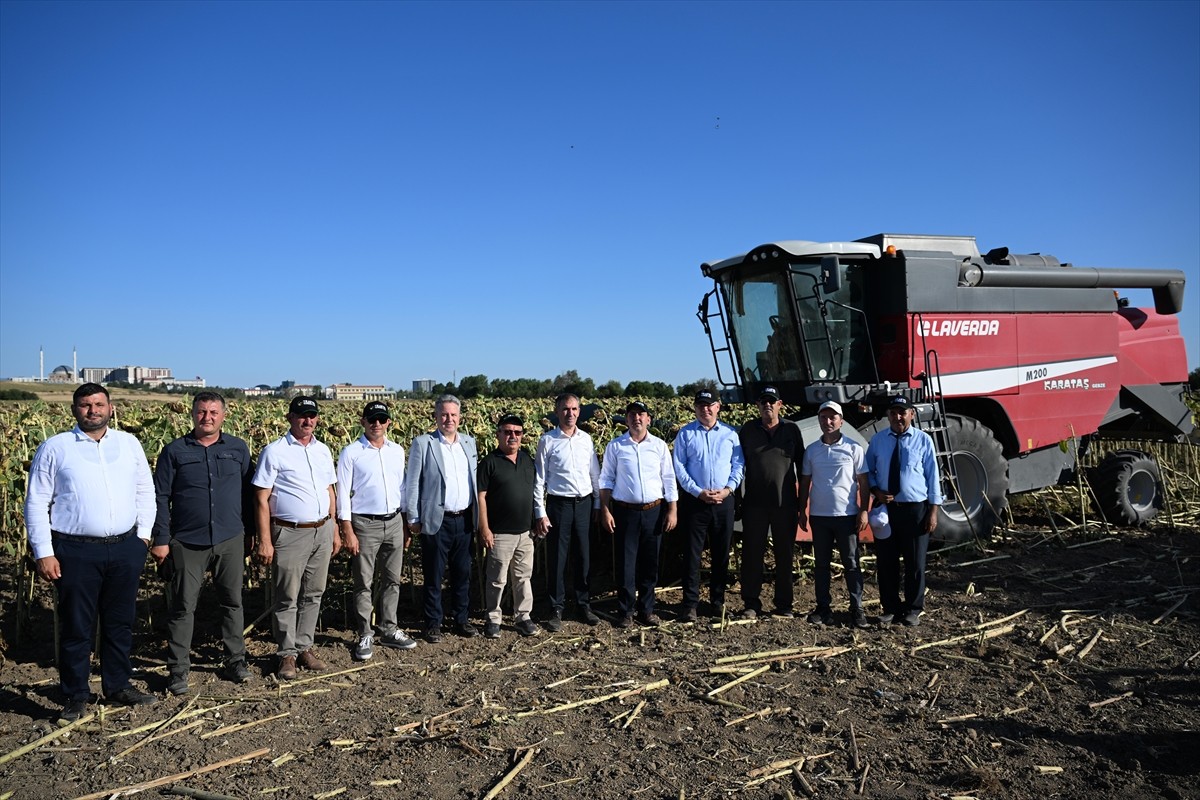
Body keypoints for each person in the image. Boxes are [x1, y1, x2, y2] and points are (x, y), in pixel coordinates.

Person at [25, 383, 157, 721]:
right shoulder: (55, 448)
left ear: (111, 408)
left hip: (124, 547)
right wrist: (44, 551)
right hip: (75, 550)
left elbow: (145, 490)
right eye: (85, 405)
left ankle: (117, 685)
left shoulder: (129, 444)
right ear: (74, 410)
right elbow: (37, 502)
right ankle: (75, 695)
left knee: (119, 622)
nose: (92, 410)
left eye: (99, 404)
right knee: (76, 626)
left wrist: (142, 538)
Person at [152, 391, 253, 695]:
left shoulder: (237, 448)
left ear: (224, 415)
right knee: (183, 606)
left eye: (213, 412)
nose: (207, 418)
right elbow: (160, 497)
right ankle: (178, 669)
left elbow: (249, 495)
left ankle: (235, 660)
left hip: (230, 538)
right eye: (201, 412)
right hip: (187, 541)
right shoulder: (174, 451)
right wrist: (161, 539)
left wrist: (250, 534)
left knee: (232, 602)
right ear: (192, 414)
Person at [253, 395, 340, 679]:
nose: (308, 420)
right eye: (302, 415)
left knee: (313, 592)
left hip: (322, 529)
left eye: (312, 415)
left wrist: (335, 527)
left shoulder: (323, 450)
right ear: (290, 417)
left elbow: (330, 491)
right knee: (287, 595)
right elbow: (261, 498)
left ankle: (305, 646)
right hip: (289, 532)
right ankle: (286, 653)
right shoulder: (275, 451)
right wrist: (265, 539)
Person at [337, 401, 417, 661]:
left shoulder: (396, 450)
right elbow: (342, 495)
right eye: (372, 419)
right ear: (363, 422)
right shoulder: (351, 452)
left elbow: (402, 489)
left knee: (393, 579)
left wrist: (405, 522)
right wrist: (346, 528)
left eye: (382, 419)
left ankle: (389, 629)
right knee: (364, 581)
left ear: (388, 423)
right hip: (364, 523)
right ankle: (364, 632)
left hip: (394, 521)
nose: (377, 424)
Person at [404, 394, 479, 642]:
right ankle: (433, 622)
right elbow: (413, 482)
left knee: (462, 573)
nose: (449, 419)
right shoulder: (423, 443)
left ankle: (461, 619)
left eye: (453, 415)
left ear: (460, 417)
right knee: (434, 574)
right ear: (436, 417)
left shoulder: (469, 443)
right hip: (437, 519)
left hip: (465, 519)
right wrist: (413, 516)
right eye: (444, 414)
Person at [598, 401, 678, 628]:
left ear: (649, 419)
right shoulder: (616, 446)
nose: (637, 419)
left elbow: (669, 479)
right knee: (625, 564)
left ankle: (647, 610)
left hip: (654, 511)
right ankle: (625, 612)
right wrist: (604, 509)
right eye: (632, 415)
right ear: (626, 420)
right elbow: (606, 480)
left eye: (641, 415)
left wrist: (672, 509)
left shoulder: (660, 446)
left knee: (650, 563)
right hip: (625, 512)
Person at [865, 395, 942, 627]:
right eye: (893, 413)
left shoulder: (923, 441)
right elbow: (867, 471)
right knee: (887, 562)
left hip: (916, 510)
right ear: (888, 415)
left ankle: (913, 609)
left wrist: (933, 511)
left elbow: (933, 476)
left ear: (912, 414)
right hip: (886, 511)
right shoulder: (877, 441)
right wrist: (876, 491)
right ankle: (890, 608)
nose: (898, 417)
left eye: (902, 412)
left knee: (915, 563)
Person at [797, 400, 871, 628]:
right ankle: (823, 609)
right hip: (820, 517)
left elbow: (864, 483)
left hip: (846, 516)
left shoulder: (853, 449)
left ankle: (857, 609)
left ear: (841, 421)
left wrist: (864, 510)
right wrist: (802, 511)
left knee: (851, 563)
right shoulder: (812, 451)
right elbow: (805, 482)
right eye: (823, 418)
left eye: (832, 418)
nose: (827, 422)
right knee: (821, 564)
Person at [672, 390, 744, 621]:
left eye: (709, 405)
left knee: (721, 554)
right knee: (692, 555)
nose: (705, 409)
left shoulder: (730, 434)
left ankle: (717, 602)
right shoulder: (685, 434)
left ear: (718, 407)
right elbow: (679, 467)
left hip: (724, 501)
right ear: (695, 408)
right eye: (701, 405)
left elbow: (738, 465)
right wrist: (697, 492)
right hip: (695, 503)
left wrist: (728, 489)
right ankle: (690, 604)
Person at [533, 393, 601, 631]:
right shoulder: (547, 441)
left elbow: (594, 475)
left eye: (573, 409)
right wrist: (540, 512)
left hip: (583, 504)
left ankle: (584, 605)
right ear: (557, 411)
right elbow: (539, 479)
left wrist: (597, 504)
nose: (569, 413)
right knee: (558, 559)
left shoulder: (587, 440)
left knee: (583, 557)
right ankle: (556, 608)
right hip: (558, 505)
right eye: (565, 409)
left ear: (579, 412)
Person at [737, 386, 804, 619]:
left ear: (780, 404)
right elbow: (736, 466)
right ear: (758, 405)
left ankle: (784, 604)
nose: (767, 405)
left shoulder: (792, 430)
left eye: (771, 401)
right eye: (763, 401)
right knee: (752, 554)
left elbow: (803, 468)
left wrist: (802, 504)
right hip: (754, 504)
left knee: (784, 555)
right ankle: (751, 603)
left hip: (784, 504)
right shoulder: (747, 431)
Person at [478, 414, 539, 639]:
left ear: (522, 436)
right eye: (507, 432)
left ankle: (523, 617)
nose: (512, 436)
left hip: (525, 533)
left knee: (523, 577)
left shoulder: (527, 460)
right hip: (500, 534)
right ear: (498, 435)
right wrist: (484, 528)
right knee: (497, 579)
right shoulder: (489, 462)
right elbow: (481, 497)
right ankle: (493, 618)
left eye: (517, 432)